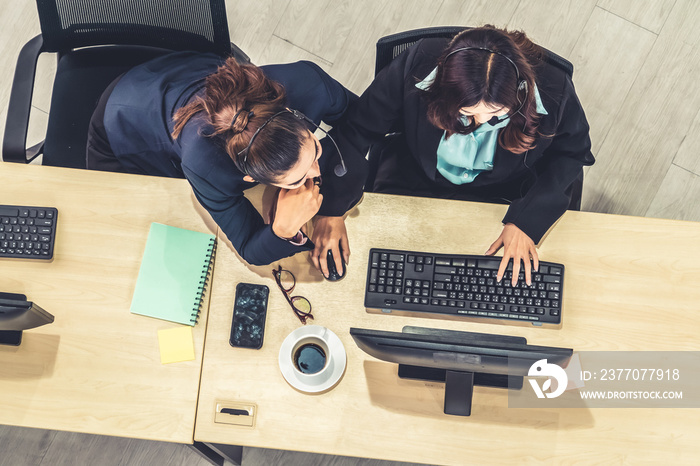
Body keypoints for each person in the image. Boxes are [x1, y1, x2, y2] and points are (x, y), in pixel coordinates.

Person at [332, 25, 594, 285]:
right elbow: (357, 127)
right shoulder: (418, 62)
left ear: (521, 91)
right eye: (468, 113)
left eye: (497, 113)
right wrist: (332, 207)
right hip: (415, 176)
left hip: (503, 193)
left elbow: (572, 154)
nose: (482, 121)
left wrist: (528, 220)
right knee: (376, 267)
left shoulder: (554, 88)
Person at [86, 51, 366, 274]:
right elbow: (248, 247)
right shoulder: (207, 166)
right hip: (127, 120)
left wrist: (334, 206)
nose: (316, 176)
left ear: (298, 118)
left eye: (315, 151)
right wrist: (282, 228)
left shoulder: (308, 84)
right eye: (295, 180)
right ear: (250, 178)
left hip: (187, 69)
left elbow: (365, 122)